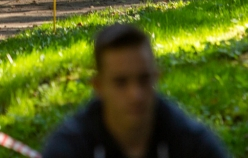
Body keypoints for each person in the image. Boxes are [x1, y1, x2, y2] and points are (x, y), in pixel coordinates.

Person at [42, 24, 229, 158]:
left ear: (157, 77)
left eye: (144, 79)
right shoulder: (70, 148)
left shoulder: (190, 143)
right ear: (98, 87)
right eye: (120, 82)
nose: (136, 95)